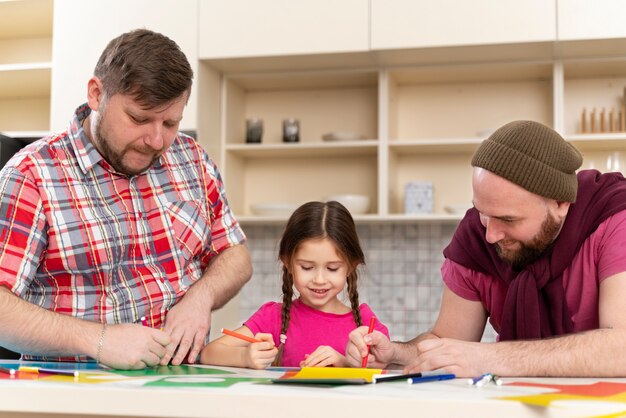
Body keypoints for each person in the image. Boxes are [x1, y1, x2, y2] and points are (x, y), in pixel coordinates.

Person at [0, 29, 252, 369]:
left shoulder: (192, 159)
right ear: (96, 94)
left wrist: (200, 297)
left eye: (171, 122)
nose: (156, 139)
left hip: (183, 384)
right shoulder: (31, 175)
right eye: (139, 118)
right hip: (76, 392)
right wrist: (98, 339)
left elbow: (235, 255)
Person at [346, 120, 626, 377]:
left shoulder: (614, 219)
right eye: (482, 212)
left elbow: (621, 347)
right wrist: (396, 353)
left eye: (508, 219)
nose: (490, 235)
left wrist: (494, 358)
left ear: (560, 204)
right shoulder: (474, 239)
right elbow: (447, 342)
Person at [200, 201, 389, 369]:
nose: (319, 279)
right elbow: (210, 352)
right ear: (288, 263)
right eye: (307, 267)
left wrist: (344, 363)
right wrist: (245, 357)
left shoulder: (365, 324)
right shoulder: (273, 317)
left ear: (350, 266)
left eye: (332, 268)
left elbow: (385, 368)